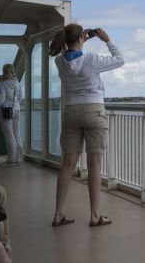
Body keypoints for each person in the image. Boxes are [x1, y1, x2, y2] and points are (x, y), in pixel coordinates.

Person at [49, 24, 124, 227]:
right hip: (93, 111)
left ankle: (58, 214)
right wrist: (106, 40)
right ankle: (94, 215)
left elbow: (71, 53)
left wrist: (80, 40)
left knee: (67, 164)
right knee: (94, 164)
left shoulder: (59, 61)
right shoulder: (91, 59)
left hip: (71, 111)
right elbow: (120, 60)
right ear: (81, 37)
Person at [0, 64, 23, 167]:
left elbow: (1, 100)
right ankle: (18, 158)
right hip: (17, 109)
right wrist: (16, 104)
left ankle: (11, 159)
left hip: (6, 110)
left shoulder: (3, 83)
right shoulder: (17, 82)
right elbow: (20, 98)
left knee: (9, 135)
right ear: (13, 71)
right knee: (17, 134)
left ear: (4, 71)